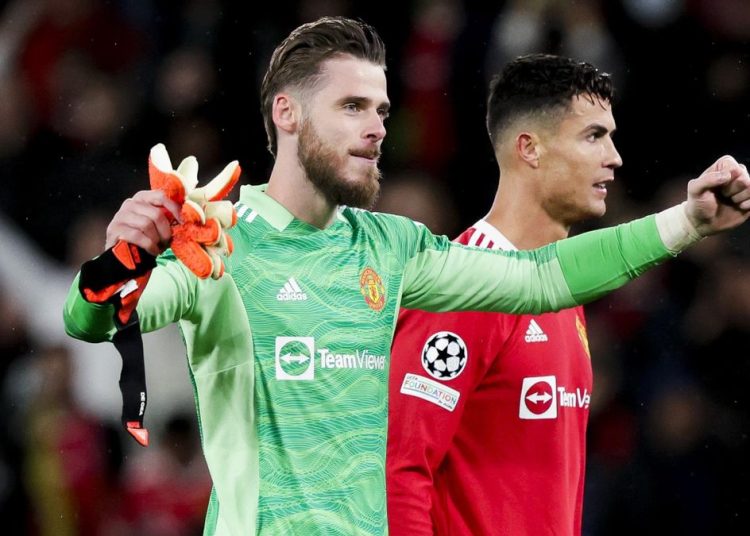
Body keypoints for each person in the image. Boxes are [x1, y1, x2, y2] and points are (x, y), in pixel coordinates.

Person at [62, 17, 750, 536]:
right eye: (352, 107)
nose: (376, 128)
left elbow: (540, 278)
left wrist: (685, 221)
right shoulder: (221, 242)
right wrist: (124, 257)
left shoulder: (394, 248)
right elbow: (91, 319)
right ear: (287, 113)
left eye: (382, 110)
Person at [384, 53, 744, 535]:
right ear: (530, 148)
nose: (614, 157)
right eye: (593, 136)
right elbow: (400, 472)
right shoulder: (465, 289)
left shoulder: (560, 292)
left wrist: (692, 222)